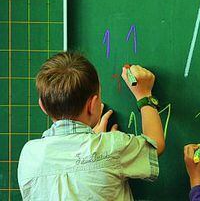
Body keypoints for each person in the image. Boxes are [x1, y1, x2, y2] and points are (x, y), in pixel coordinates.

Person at [17, 52, 165, 200]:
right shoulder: (112, 146)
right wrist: (144, 96)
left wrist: (94, 140)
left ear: (42, 106)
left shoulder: (29, 155)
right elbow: (155, 144)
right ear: (93, 105)